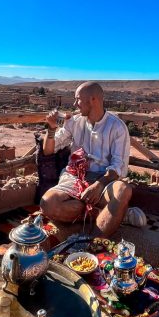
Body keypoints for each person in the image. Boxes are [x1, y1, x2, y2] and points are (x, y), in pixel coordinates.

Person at [39, 81, 142, 236]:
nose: (75, 104)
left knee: (123, 190)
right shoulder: (74, 122)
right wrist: (52, 128)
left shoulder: (117, 127)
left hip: (104, 180)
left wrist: (98, 185)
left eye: (78, 99)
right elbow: (48, 151)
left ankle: (94, 242)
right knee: (47, 204)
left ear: (93, 100)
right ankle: (113, 213)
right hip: (75, 177)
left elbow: (118, 166)